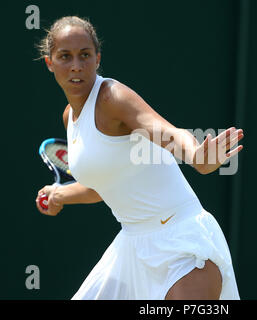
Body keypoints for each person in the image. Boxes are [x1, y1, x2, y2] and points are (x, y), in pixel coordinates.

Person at [35, 16, 244, 300]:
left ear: (97, 58)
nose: (76, 66)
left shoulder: (112, 97)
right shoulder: (69, 118)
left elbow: (165, 131)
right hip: (130, 250)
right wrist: (60, 195)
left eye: (85, 55)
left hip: (182, 244)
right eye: (65, 57)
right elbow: (104, 186)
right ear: (50, 63)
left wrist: (196, 155)